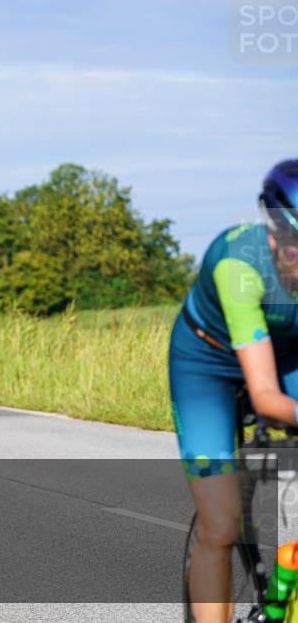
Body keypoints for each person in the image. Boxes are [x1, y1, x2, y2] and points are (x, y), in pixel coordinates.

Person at [171, 159, 298, 622]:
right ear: (274, 231)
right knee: (221, 524)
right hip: (206, 364)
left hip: (287, 353)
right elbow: (265, 397)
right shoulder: (238, 266)